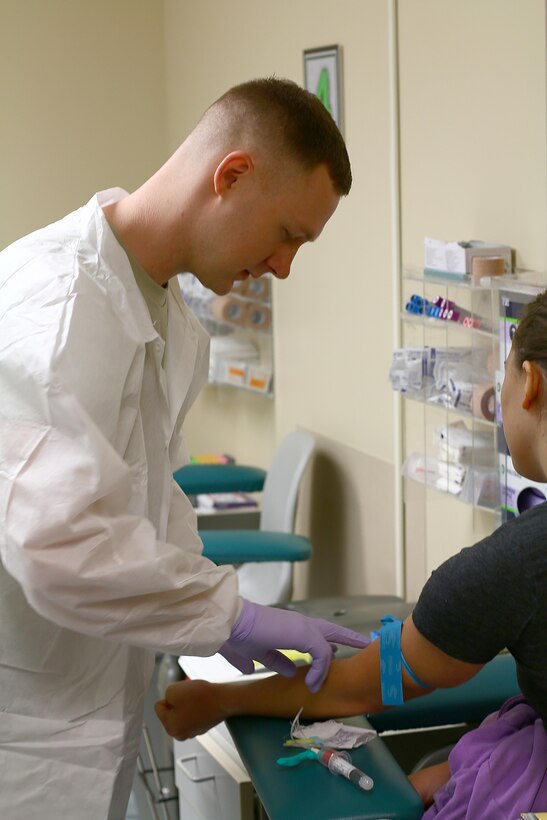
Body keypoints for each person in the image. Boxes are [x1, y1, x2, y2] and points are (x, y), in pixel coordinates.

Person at [0, 78, 369, 820]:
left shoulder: (160, 313)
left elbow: (148, 504)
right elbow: (54, 544)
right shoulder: (61, 308)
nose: (284, 267)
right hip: (26, 719)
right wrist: (230, 615)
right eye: (290, 233)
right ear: (230, 176)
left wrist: (209, 613)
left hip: (83, 699)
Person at [156, 292, 547, 817]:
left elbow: (359, 686)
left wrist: (222, 699)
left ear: (531, 384)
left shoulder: (512, 567)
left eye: (505, 377)